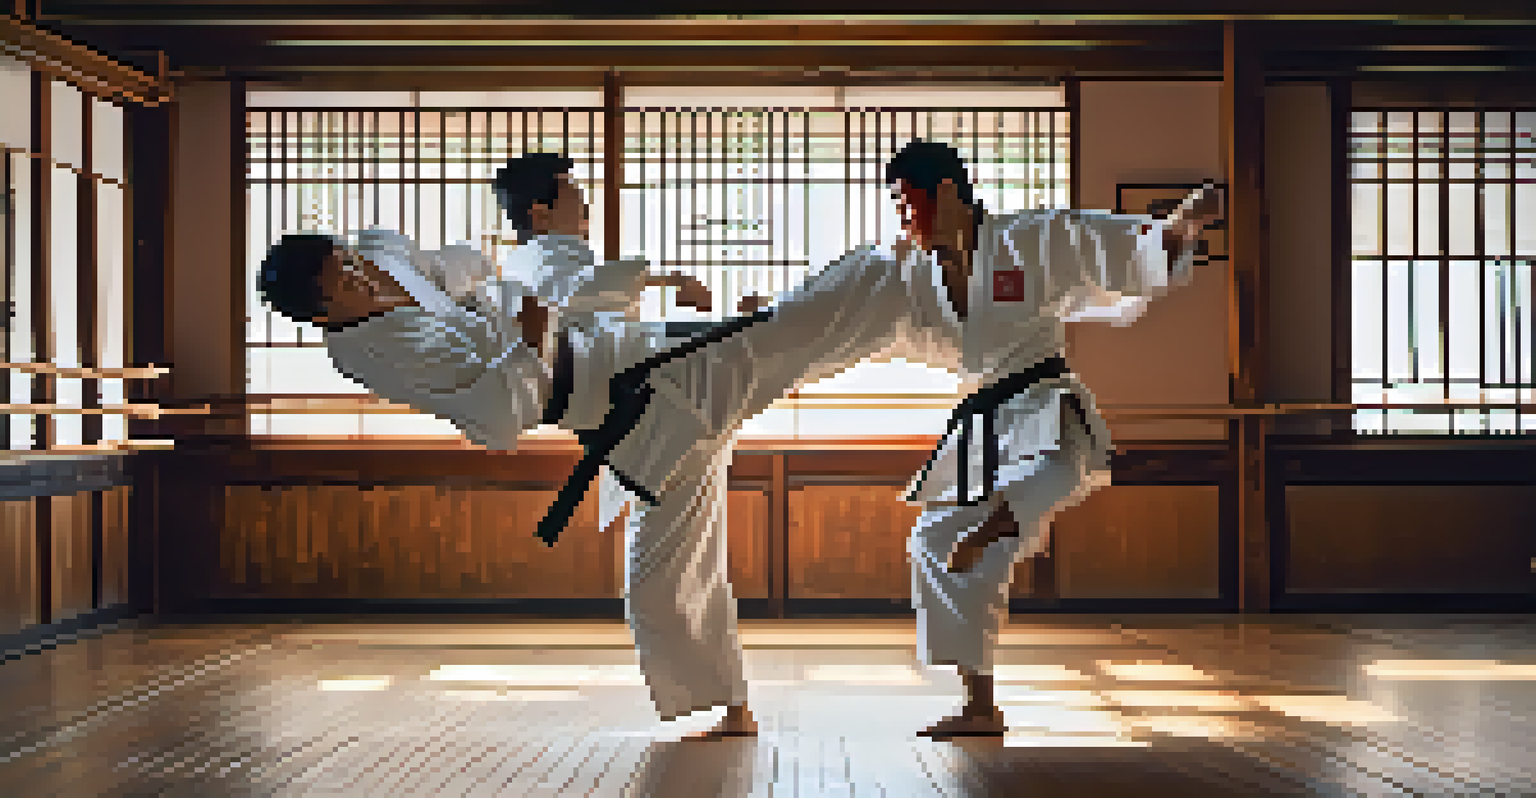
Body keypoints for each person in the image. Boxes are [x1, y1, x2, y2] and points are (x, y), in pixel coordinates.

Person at [540, 140, 1220, 740]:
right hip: (984, 420)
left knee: (1051, 471)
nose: (902, 217)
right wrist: (766, 319)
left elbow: (1116, 247)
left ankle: (1008, 516)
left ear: (945, 191)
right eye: (895, 205)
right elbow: (822, 312)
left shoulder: (1032, 239)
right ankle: (978, 703)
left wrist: (1181, 226)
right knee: (935, 541)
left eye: (905, 200)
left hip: (1044, 401)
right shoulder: (903, 273)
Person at [255, 153, 766, 739]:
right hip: (606, 398)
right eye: (345, 283)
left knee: (664, 564)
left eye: (349, 261)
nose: (361, 276)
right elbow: (501, 406)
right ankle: (732, 705)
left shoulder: (383, 250)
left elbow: (468, 272)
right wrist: (526, 337)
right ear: (322, 315)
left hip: (625, 374)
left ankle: (754, 334)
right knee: (661, 576)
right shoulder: (378, 352)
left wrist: (479, 294)